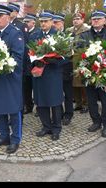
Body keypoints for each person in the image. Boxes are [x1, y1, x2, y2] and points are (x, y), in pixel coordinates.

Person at [0, 4, 24, 154]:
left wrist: (1, 64)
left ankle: (15, 139)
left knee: (13, 109)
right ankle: (3, 136)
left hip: (10, 78)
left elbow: (18, 57)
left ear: (8, 17)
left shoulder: (15, 33)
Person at [79, 10, 106, 138]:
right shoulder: (84, 35)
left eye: (99, 18)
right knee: (91, 100)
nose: (95, 21)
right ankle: (96, 121)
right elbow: (78, 52)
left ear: (104, 20)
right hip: (89, 74)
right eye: (94, 19)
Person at [31, 10, 66, 141]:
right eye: (41, 21)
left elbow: (67, 56)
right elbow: (28, 52)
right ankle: (46, 126)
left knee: (55, 102)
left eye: (46, 21)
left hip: (53, 73)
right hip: (39, 73)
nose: (43, 24)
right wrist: (35, 61)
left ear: (52, 22)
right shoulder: (35, 35)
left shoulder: (58, 36)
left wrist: (55, 61)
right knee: (41, 101)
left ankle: (56, 128)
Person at [53, 12, 74, 126]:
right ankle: (59, 113)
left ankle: (68, 114)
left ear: (62, 23)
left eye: (56, 23)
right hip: (55, 69)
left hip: (66, 68)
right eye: (54, 22)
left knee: (68, 94)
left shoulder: (68, 35)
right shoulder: (52, 35)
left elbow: (69, 54)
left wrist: (57, 61)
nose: (54, 25)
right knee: (57, 92)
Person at [67, 12, 90, 114]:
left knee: (83, 83)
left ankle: (86, 104)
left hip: (81, 59)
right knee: (74, 83)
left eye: (78, 18)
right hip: (71, 59)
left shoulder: (86, 30)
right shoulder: (69, 30)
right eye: (74, 19)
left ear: (82, 20)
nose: (75, 21)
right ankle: (78, 103)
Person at [22, 13, 39, 115]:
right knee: (26, 87)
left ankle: (38, 107)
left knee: (36, 87)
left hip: (34, 64)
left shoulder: (37, 33)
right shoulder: (23, 32)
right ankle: (28, 105)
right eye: (24, 22)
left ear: (33, 22)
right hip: (25, 64)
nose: (26, 24)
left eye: (27, 22)